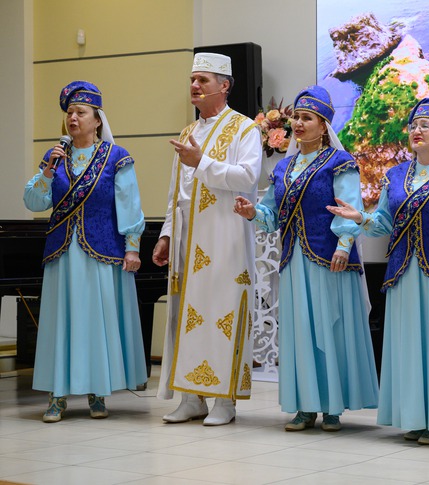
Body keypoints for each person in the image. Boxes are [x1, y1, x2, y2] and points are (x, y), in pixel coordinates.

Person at [328, 97, 429, 445]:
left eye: (425, 125)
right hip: (404, 273)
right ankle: (416, 416)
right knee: (410, 343)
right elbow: (383, 225)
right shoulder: (397, 175)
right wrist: (360, 218)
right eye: (413, 125)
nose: (416, 131)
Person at [233, 86, 379, 432]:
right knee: (299, 329)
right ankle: (304, 404)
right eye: (296, 117)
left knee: (330, 326)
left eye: (306, 118)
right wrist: (254, 211)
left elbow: (349, 206)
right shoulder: (283, 168)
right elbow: (271, 215)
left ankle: (331, 407)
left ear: (324, 125)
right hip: (294, 259)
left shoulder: (339, 162)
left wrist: (344, 245)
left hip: (330, 257)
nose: (298, 123)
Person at [23, 81, 147, 422]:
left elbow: (129, 204)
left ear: (97, 120)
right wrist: (47, 171)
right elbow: (34, 201)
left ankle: (97, 392)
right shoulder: (55, 158)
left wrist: (132, 248)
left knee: (96, 320)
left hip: (102, 250)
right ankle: (57, 393)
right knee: (61, 320)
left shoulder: (115, 157)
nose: (73, 119)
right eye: (69, 113)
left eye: (80, 113)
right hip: (63, 254)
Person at [153, 52, 262, 426]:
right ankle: (191, 396)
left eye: (203, 80)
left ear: (224, 86)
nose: (195, 87)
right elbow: (176, 192)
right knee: (187, 315)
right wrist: (167, 235)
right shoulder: (186, 132)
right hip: (187, 238)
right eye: (192, 80)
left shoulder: (245, 129)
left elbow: (247, 178)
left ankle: (224, 402)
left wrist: (202, 162)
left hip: (224, 237)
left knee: (223, 312)